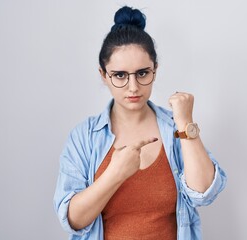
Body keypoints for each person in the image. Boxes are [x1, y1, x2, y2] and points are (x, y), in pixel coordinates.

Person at [53, 6, 227, 240]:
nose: (133, 87)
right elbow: (73, 220)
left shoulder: (174, 127)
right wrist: (115, 173)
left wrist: (186, 123)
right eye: (120, 75)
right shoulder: (84, 137)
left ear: (155, 70)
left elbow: (204, 193)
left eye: (142, 73)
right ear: (104, 75)